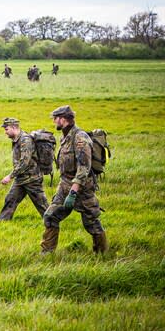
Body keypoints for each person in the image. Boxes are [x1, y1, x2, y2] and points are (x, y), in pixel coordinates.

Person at [40, 106, 107, 254]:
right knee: (51, 216)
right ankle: (46, 253)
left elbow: (84, 168)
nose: (53, 121)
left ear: (63, 119)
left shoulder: (80, 138)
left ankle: (102, 253)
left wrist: (73, 192)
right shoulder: (65, 136)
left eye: (55, 118)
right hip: (64, 185)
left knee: (91, 222)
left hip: (81, 188)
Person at [0, 118, 48, 221]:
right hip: (21, 179)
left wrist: (10, 176)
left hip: (32, 179)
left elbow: (24, 163)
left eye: (6, 129)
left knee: (42, 205)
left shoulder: (25, 140)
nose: (5, 132)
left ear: (13, 127)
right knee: (10, 200)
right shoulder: (17, 140)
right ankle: (1, 223)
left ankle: (52, 223)